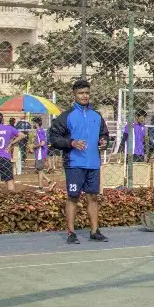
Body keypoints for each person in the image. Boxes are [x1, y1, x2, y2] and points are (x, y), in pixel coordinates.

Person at [48, 78, 110, 243]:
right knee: (73, 197)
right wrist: (71, 142)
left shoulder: (97, 115)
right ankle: (71, 233)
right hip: (74, 164)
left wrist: (104, 142)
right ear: (74, 95)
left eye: (87, 93)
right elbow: (53, 138)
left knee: (93, 197)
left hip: (93, 164)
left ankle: (94, 231)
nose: (84, 96)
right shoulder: (66, 116)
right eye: (81, 93)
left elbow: (104, 135)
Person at [32, 116, 54, 191]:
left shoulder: (39, 131)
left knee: (40, 170)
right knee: (38, 170)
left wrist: (34, 146)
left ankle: (41, 187)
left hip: (40, 153)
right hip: (40, 153)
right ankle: (49, 181)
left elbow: (42, 143)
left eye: (33, 123)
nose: (32, 124)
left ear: (36, 123)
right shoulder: (40, 130)